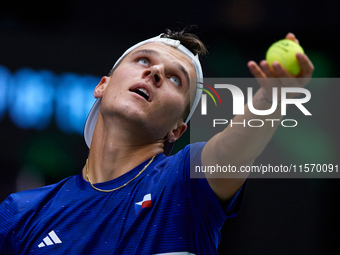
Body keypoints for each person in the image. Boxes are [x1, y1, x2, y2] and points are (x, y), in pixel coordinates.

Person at [0, 29, 313, 254]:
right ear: (102, 86)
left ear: (177, 129)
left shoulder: (185, 183)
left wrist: (273, 96)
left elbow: (235, 148)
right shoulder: (22, 212)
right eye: (141, 60)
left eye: (176, 79)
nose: (155, 71)